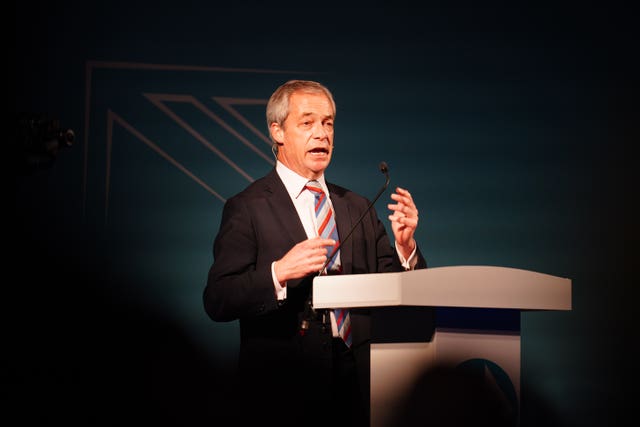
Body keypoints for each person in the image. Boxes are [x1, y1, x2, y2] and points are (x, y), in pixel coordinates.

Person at [203, 80, 427, 426]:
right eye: (307, 123)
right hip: (284, 393)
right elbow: (218, 298)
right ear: (277, 132)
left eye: (328, 123)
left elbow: (399, 293)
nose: (321, 134)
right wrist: (278, 273)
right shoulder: (247, 207)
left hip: (361, 389)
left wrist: (405, 247)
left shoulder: (358, 207)